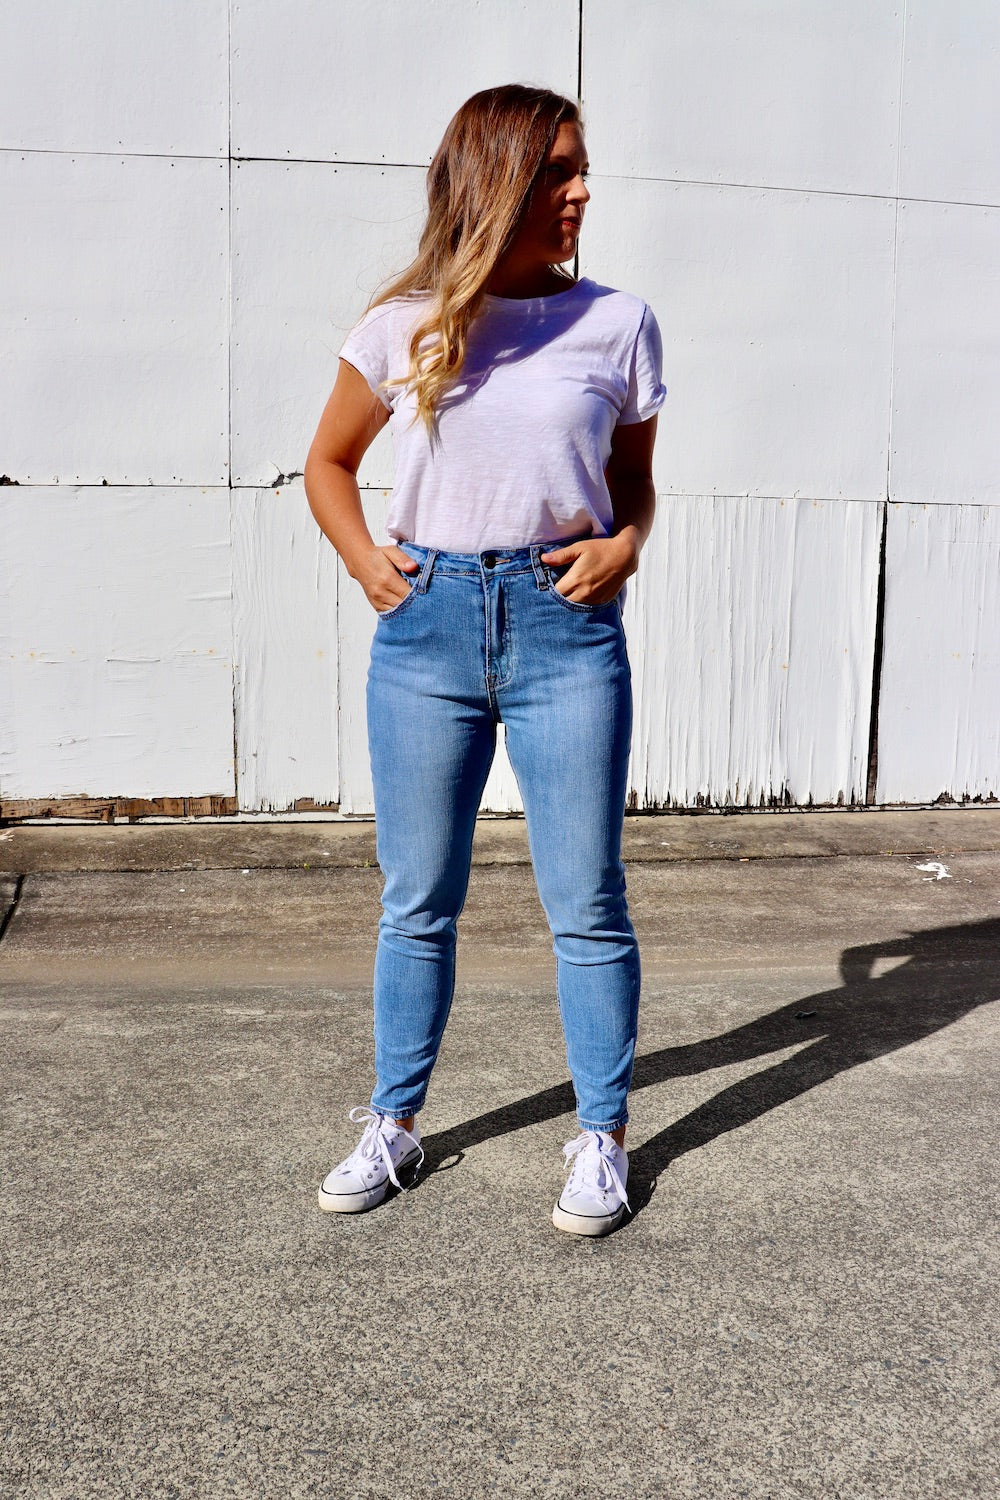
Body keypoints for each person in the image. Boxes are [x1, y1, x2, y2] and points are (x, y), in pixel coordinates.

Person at [304, 83, 665, 1236]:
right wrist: (367, 563)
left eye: (581, 168)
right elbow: (326, 463)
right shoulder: (404, 325)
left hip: (564, 630)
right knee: (416, 899)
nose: (582, 191)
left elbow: (634, 482)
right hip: (429, 630)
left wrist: (625, 544)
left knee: (586, 900)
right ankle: (394, 1122)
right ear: (495, 180)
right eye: (557, 171)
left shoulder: (619, 324)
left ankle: (602, 1138)